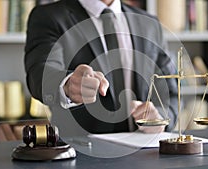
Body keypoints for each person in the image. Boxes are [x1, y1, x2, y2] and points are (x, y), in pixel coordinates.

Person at [24, 0, 178, 135]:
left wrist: (160, 119)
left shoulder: (149, 23)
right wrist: (68, 85)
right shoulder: (50, 17)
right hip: (82, 154)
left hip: (145, 154)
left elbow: (170, 91)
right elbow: (41, 74)